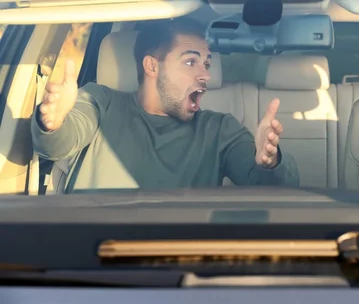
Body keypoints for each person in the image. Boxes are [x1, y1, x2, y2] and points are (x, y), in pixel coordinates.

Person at [31, 17, 299, 191]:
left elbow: (268, 185)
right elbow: (61, 142)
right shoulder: (101, 102)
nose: (205, 74)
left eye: (206, 63)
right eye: (190, 62)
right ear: (151, 66)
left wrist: (270, 163)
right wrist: (53, 124)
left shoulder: (219, 130)